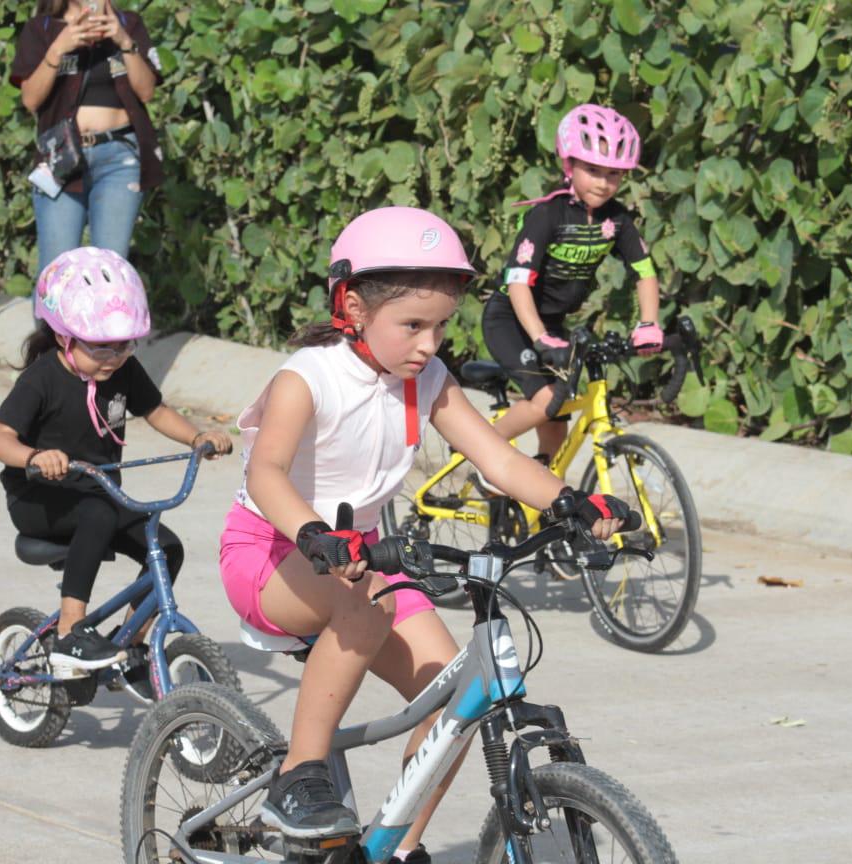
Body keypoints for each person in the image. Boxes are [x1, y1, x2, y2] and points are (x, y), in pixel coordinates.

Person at [219, 207, 634, 861]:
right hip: (271, 553)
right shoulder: (308, 377)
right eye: (412, 325)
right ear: (352, 307)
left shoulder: (427, 380)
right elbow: (267, 473)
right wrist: (316, 535)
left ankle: (397, 848)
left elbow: (496, 458)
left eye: (440, 326)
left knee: (457, 692)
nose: (429, 343)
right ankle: (298, 779)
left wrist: (574, 503)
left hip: (364, 564)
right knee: (364, 605)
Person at [0, 247, 232, 680]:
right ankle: (69, 633)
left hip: (97, 490)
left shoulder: (123, 370)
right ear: (64, 336)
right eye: (100, 347)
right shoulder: (42, 378)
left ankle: (133, 643)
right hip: (38, 497)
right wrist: (35, 457)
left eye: (123, 345)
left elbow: (156, 411)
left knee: (166, 545)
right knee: (97, 514)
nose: (113, 357)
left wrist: (197, 436)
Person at [481, 103, 661, 464]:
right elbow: (517, 282)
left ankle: (540, 489)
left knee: (557, 415)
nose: (603, 182)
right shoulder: (548, 214)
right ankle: (482, 451)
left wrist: (648, 323)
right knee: (547, 398)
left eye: (614, 174)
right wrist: (538, 337)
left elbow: (645, 271)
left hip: (551, 325)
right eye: (592, 169)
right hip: (511, 319)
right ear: (569, 165)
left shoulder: (617, 220)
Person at [10, 0, 164, 274]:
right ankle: (51, 319)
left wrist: (124, 41)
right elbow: (30, 100)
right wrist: (59, 48)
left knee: (111, 272)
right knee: (57, 274)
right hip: (62, 159)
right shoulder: (41, 28)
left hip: (120, 158)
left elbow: (147, 92)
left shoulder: (128, 24)